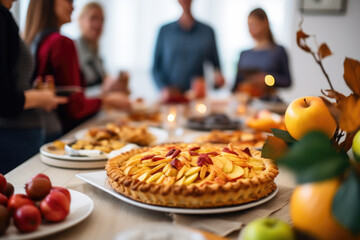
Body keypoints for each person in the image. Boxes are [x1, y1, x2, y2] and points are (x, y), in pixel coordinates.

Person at [24, 0, 130, 140]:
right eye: (69, 1)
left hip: (38, 128)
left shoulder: (34, 40)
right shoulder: (62, 42)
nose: (73, 6)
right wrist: (107, 100)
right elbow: (76, 107)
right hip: (62, 131)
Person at [0, 0, 67, 173]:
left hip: (19, 136)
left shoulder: (6, 16)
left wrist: (34, 92)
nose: (72, 6)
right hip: (14, 137)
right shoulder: (1, 17)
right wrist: (41, 98)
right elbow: (3, 100)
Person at [152, 0, 225, 102]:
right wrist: (164, 88)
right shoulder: (165, 31)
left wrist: (218, 79)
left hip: (197, 98)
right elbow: (156, 67)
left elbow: (216, 67)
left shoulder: (207, 31)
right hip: (171, 97)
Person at [232, 8, 291, 100]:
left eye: (254, 24)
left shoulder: (278, 51)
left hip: (269, 101)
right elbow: (235, 85)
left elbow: (287, 82)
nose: (250, 29)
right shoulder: (244, 54)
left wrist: (267, 79)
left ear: (265, 23)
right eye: (249, 25)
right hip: (246, 102)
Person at [76, 2, 105, 88]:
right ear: (81, 20)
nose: (98, 24)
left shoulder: (96, 54)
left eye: (102, 20)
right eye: (93, 18)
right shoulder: (74, 50)